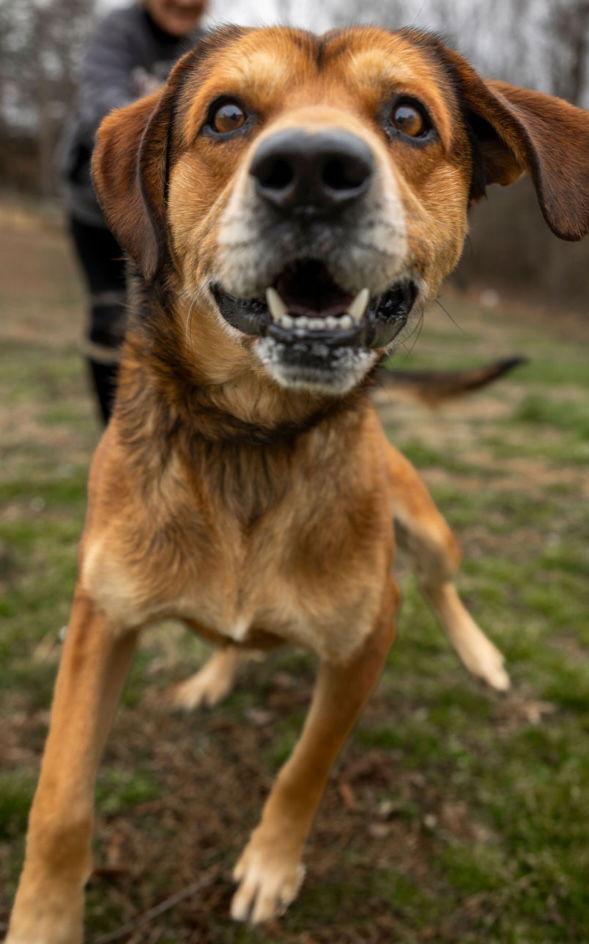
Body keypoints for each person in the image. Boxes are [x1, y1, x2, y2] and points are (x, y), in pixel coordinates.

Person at [61, 0, 208, 423]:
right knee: (110, 316)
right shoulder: (119, 31)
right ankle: (115, 429)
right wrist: (164, 130)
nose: (185, 5)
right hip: (95, 204)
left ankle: (170, 425)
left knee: (169, 315)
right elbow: (100, 101)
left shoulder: (203, 46)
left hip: (163, 212)